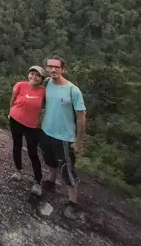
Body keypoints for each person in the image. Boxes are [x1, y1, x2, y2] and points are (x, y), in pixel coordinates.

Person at [39, 55, 86, 219]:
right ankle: (51, 182)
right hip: (46, 131)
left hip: (64, 137)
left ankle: (73, 202)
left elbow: (81, 116)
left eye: (56, 67)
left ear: (63, 69)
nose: (53, 70)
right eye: (50, 67)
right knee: (49, 160)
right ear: (46, 68)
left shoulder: (73, 90)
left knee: (67, 169)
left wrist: (78, 142)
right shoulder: (47, 84)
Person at [8, 65, 46, 196]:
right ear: (28, 75)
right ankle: (18, 171)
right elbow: (13, 99)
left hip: (32, 125)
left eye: (38, 75)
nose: (34, 77)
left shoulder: (43, 91)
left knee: (32, 152)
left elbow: (47, 106)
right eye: (32, 74)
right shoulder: (20, 85)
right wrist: (10, 112)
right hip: (15, 119)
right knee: (17, 146)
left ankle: (37, 181)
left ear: (41, 79)